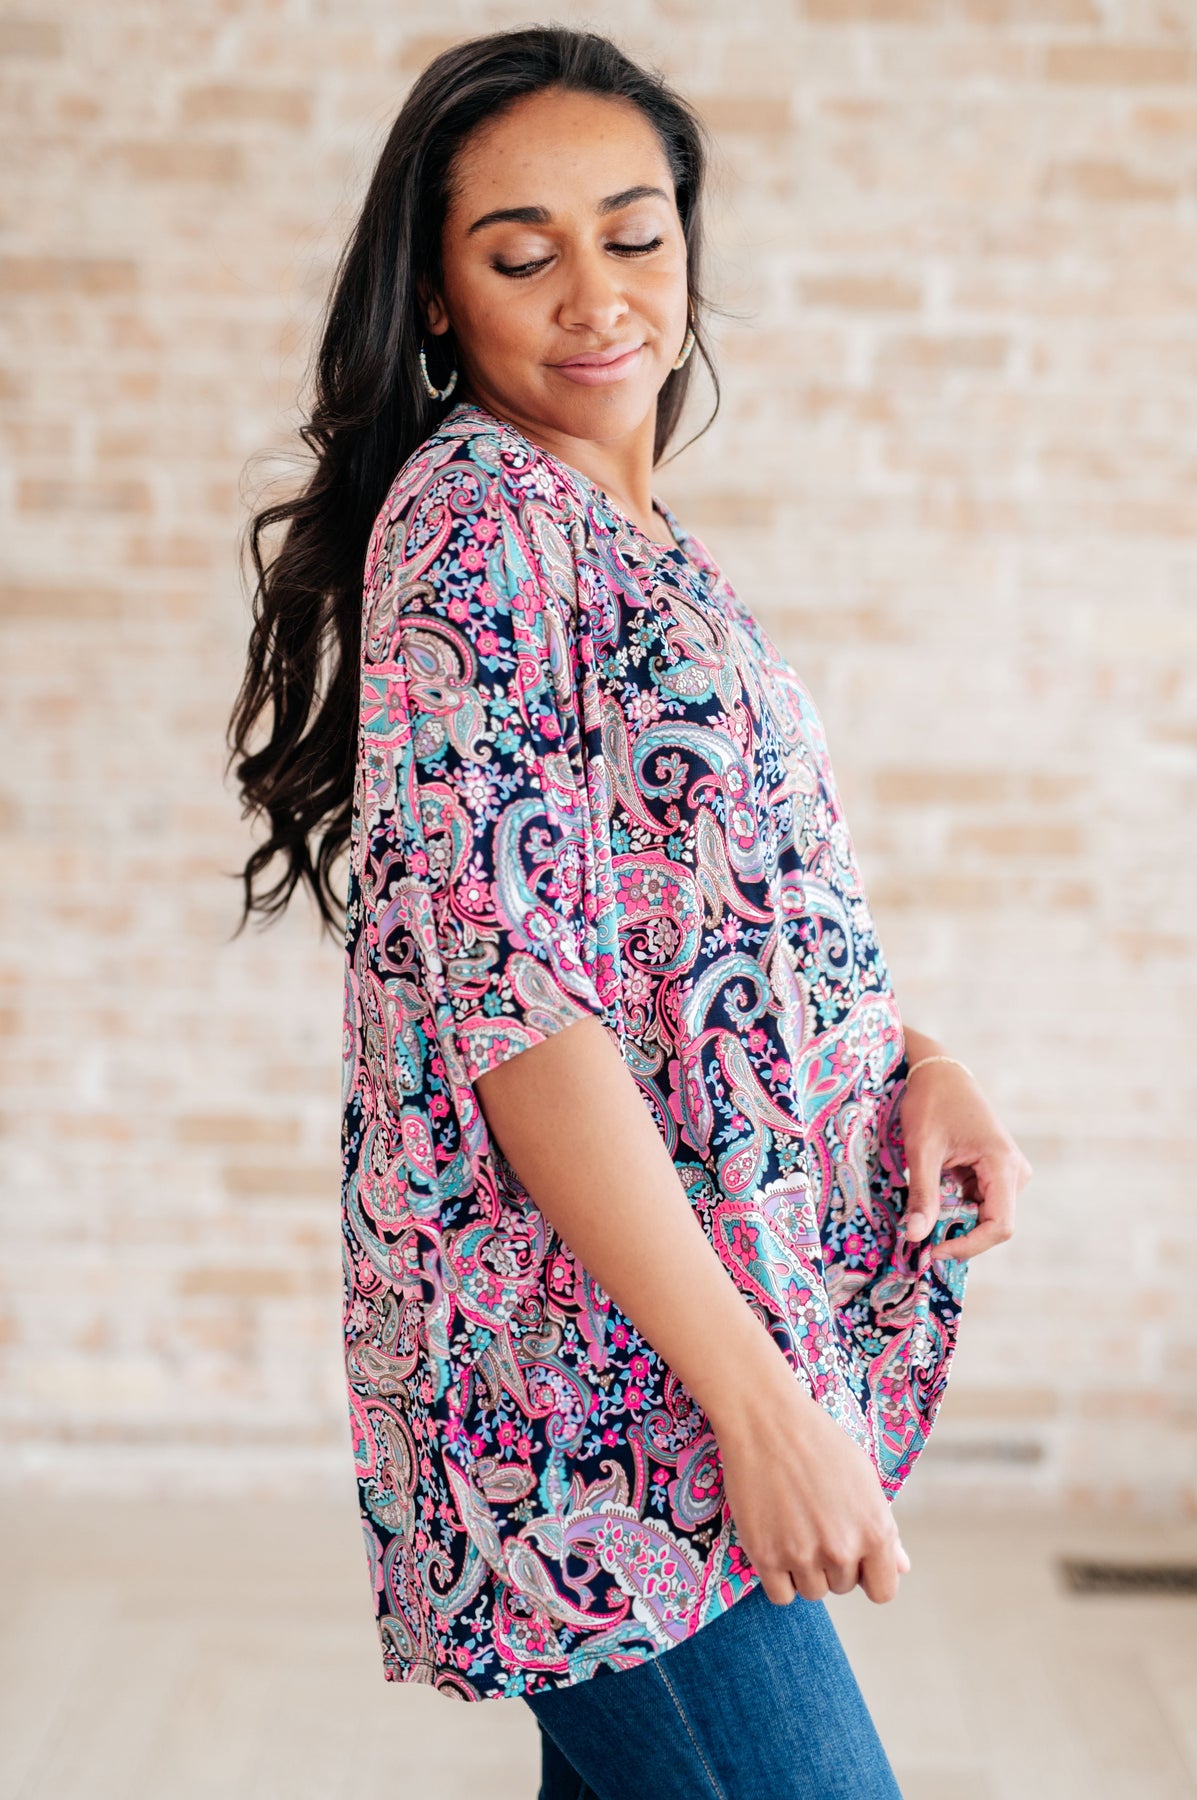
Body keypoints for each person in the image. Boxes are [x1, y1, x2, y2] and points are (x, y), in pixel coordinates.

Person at [228, 24, 1033, 1800]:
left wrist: (919, 1059)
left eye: (635, 234)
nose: (597, 296)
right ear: (434, 299)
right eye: (521, 255)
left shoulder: (628, 537)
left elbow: (696, 924)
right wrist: (758, 1410)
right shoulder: (480, 526)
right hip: (609, 1406)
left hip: (676, 1351)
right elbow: (517, 1012)